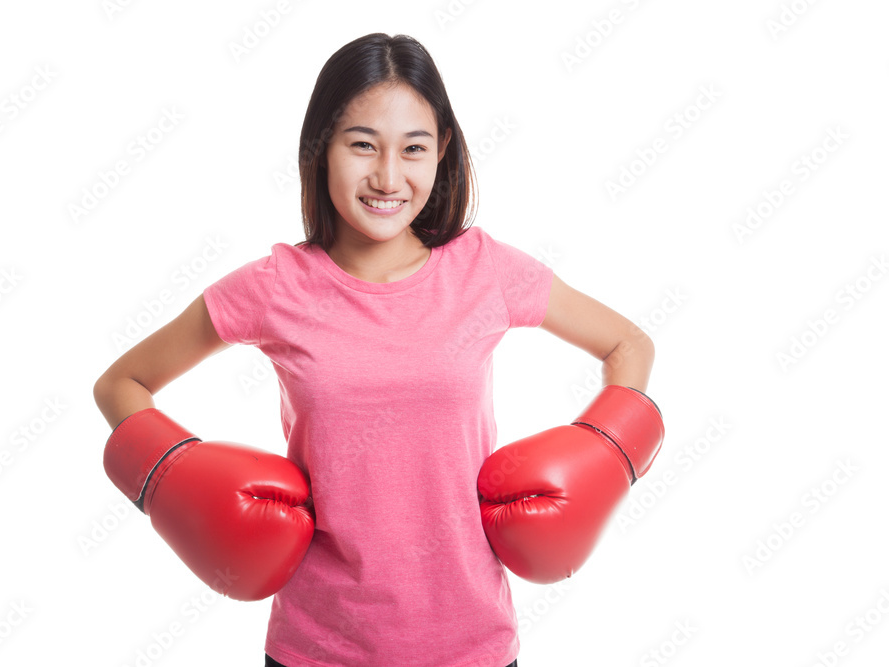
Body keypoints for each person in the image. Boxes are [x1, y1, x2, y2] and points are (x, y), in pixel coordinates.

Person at [94, 32, 657, 667]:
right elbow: (121, 384)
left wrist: (604, 454)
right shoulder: (274, 287)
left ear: (441, 152)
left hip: (472, 647)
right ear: (321, 149)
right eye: (362, 144)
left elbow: (628, 344)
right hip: (316, 647)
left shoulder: (485, 272)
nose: (388, 177)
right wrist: (179, 487)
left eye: (413, 149)